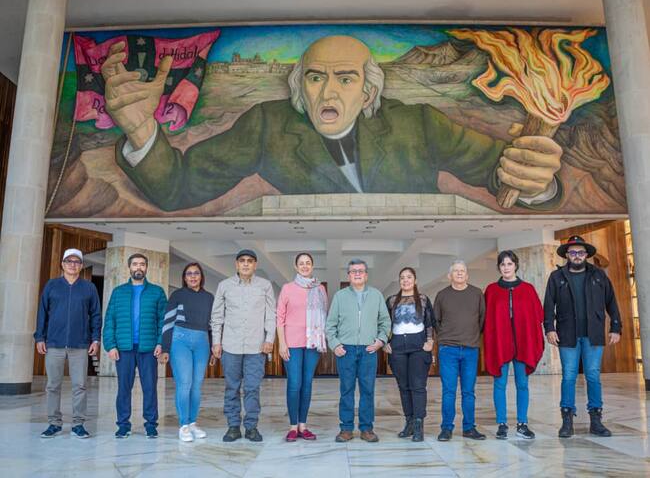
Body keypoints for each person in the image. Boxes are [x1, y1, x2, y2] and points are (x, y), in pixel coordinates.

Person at [101, 35, 563, 212]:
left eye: (345, 79)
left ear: (368, 93)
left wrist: (534, 181)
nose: (328, 93)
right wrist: (141, 131)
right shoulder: (267, 125)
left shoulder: (420, 125)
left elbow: (502, 170)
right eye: (315, 78)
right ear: (300, 89)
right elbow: (177, 188)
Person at [544, 235, 622, 438]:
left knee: (593, 375)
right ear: (567, 255)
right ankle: (567, 420)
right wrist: (549, 328)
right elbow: (548, 305)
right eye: (573, 252)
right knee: (569, 376)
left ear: (586, 254)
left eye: (580, 252)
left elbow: (611, 302)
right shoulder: (557, 277)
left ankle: (596, 420)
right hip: (567, 334)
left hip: (593, 334)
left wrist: (616, 327)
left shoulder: (599, 275)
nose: (577, 255)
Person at [34, 248, 101, 439]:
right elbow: (42, 312)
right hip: (54, 343)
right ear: (62, 264)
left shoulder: (89, 288)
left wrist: (95, 339)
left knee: (80, 385)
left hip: (80, 344)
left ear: (81, 266)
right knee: (53, 385)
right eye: (69, 261)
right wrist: (40, 337)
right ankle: (54, 423)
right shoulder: (52, 285)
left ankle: (78, 424)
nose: (73, 265)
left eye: (77, 262)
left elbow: (96, 315)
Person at [211, 249, 276, 442]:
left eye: (250, 261)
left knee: (252, 388)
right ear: (236, 264)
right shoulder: (224, 286)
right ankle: (233, 427)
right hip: (230, 346)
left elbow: (271, 315)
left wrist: (269, 339)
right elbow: (217, 316)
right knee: (231, 388)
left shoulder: (265, 286)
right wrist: (216, 342)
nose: (246, 264)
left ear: (255, 265)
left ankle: (251, 427)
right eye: (242, 261)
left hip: (256, 347)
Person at [326, 258, 391, 443]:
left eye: (360, 271)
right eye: (353, 271)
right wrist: (335, 344)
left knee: (367, 390)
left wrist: (380, 341)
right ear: (348, 275)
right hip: (345, 349)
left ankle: (366, 428)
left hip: (369, 349)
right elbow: (330, 324)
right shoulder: (340, 296)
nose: (357, 274)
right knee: (346, 390)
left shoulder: (376, 295)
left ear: (366, 275)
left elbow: (385, 322)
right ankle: (346, 429)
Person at [103, 253, 167, 439]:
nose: (139, 267)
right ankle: (123, 425)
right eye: (135, 264)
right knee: (124, 388)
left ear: (146, 268)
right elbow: (110, 320)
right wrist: (110, 345)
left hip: (148, 348)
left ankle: (151, 424)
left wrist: (160, 342)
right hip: (124, 348)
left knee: (150, 388)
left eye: (142, 264)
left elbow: (163, 321)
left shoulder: (157, 292)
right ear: (129, 267)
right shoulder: (118, 292)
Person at [483, 250, 545, 440]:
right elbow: (486, 319)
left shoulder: (528, 289)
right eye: (503, 264)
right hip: (500, 343)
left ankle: (522, 424)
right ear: (499, 267)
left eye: (509, 264)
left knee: (522, 384)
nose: (506, 267)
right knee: (499, 384)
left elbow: (537, 316)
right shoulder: (491, 290)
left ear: (516, 265)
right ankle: (502, 424)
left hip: (523, 344)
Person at [159, 262, 213, 442]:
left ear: (201, 276)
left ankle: (192, 423)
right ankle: (183, 425)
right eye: (189, 274)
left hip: (202, 342)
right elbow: (168, 322)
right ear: (184, 277)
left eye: (196, 273)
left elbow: (212, 325)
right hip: (180, 340)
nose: (193, 276)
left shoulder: (209, 298)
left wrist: (213, 348)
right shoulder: (177, 295)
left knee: (197, 385)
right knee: (185, 383)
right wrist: (165, 348)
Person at [276, 252, 328, 442]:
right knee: (294, 383)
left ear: (312, 266)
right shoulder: (287, 288)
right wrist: (282, 343)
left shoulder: (320, 289)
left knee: (307, 384)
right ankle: (292, 426)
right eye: (301, 263)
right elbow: (279, 318)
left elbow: (324, 314)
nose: (305, 266)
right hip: (292, 343)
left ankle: (303, 426)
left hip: (312, 343)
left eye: (308, 263)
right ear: (296, 267)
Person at [434, 260, 486, 441]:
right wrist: (445, 338)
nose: (459, 273)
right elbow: (436, 320)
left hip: (470, 349)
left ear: (467, 275)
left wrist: (471, 336)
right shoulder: (442, 295)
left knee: (468, 391)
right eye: (455, 271)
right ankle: (446, 428)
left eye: (462, 270)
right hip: (448, 349)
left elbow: (482, 319)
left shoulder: (477, 293)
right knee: (449, 391)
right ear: (449, 275)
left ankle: (469, 428)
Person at [384, 267, 435, 442]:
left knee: (418, 386)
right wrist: (385, 342)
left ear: (415, 280)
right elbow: (384, 323)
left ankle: (419, 424)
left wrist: (430, 341)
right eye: (402, 277)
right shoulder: (391, 300)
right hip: (397, 346)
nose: (405, 280)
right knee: (403, 386)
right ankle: (409, 422)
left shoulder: (423, 299)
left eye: (409, 277)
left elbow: (429, 323)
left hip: (418, 345)